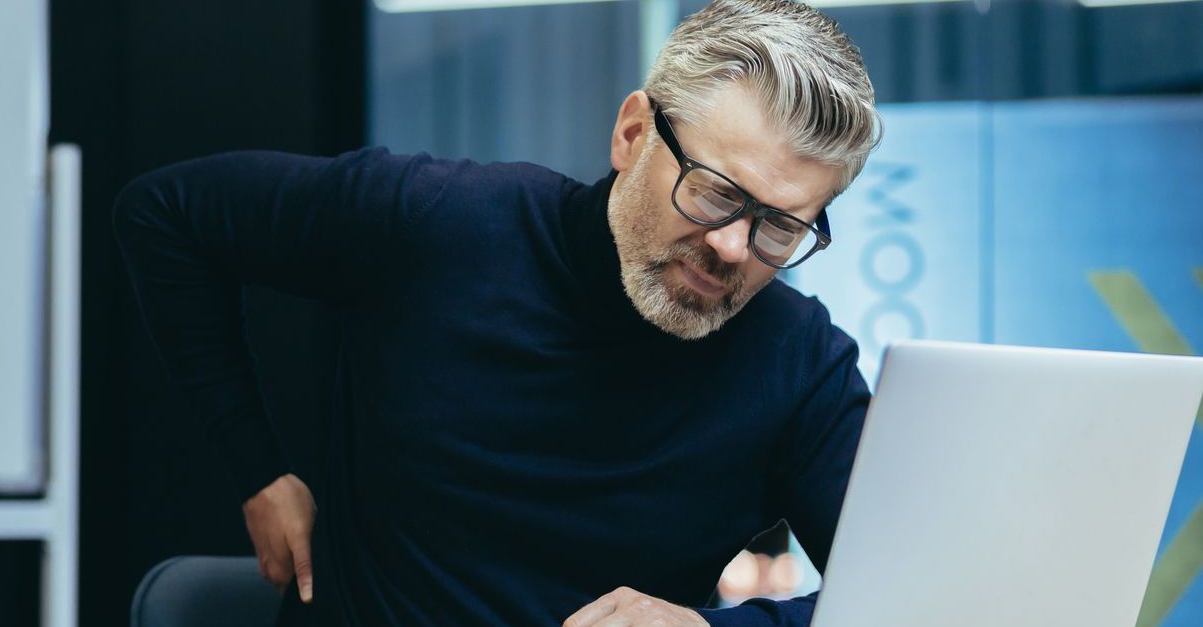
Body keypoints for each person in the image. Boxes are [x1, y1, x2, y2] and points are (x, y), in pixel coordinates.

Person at [113, 1, 881, 625]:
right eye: (715, 190)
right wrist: (257, 470)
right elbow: (165, 215)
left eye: (781, 225)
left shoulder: (798, 362)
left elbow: (911, 600)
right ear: (634, 133)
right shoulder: (435, 224)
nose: (733, 247)